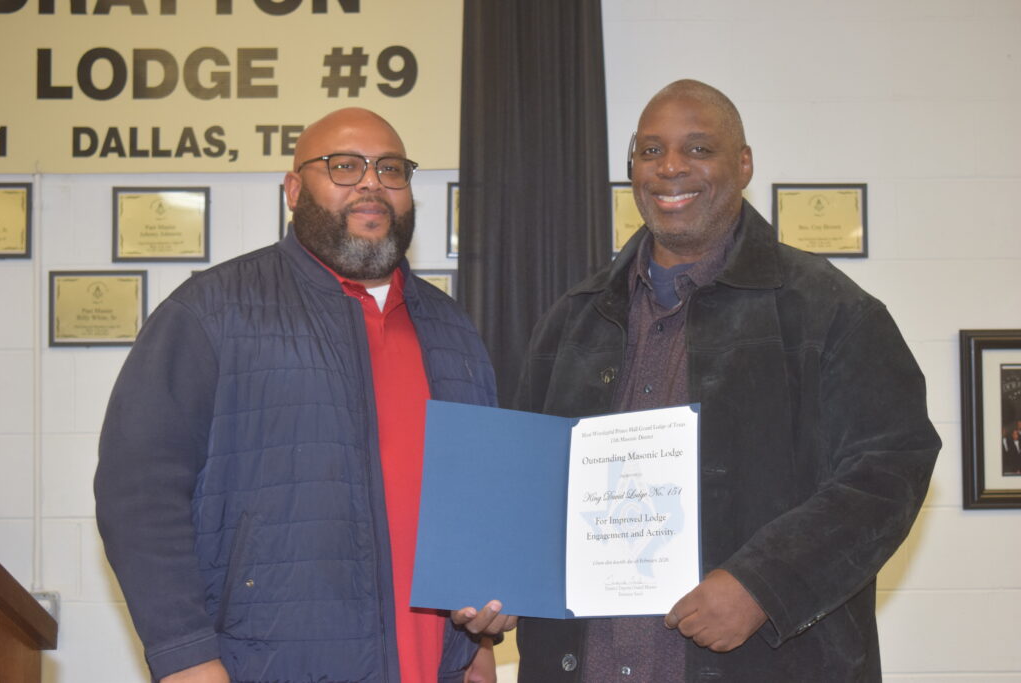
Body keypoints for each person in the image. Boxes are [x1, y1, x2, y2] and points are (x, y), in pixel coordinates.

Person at [514, 80, 941, 681]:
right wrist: (497, 577)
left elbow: (890, 469)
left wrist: (765, 584)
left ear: (743, 164)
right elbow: (525, 483)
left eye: (698, 148)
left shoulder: (828, 310)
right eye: (651, 150)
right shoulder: (573, 318)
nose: (670, 168)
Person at [95, 108, 514, 683]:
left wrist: (479, 644)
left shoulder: (453, 330)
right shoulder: (210, 313)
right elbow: (138, 494)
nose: (371, 183)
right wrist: (184, 657)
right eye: (344, 166)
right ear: (294, 190)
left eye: (390, 169)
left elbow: (479, 499)